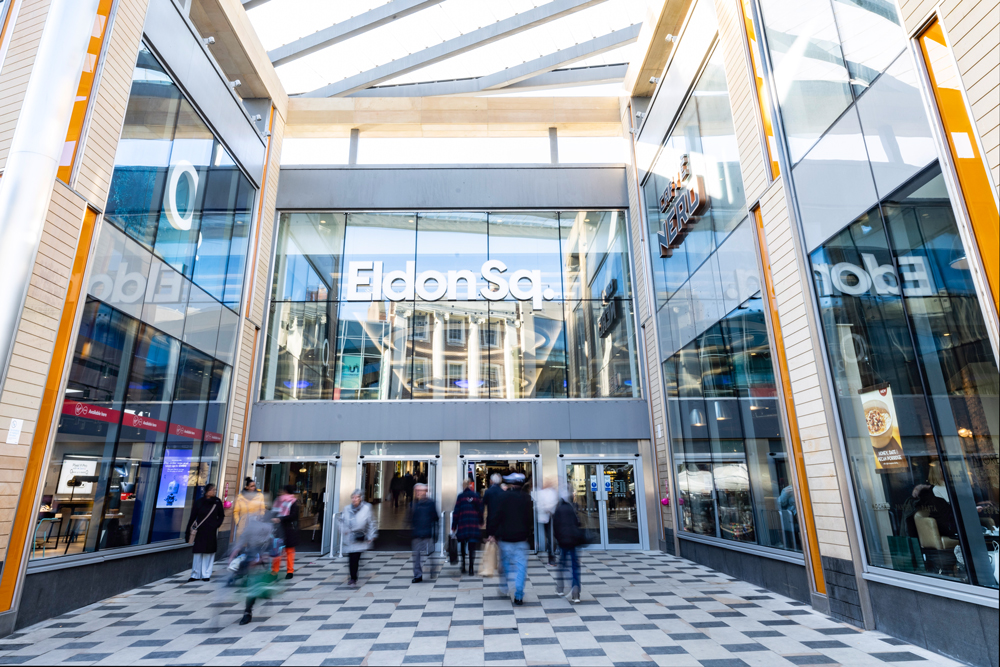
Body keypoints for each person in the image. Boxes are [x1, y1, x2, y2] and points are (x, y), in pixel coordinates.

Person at [228, 512, 277, 625]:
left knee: (254, 584)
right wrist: (233, 554)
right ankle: (249, 610)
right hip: (251, 557)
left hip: (260, 561)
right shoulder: (251, 526)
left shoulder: (268, 528)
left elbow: (270, 547)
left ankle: (248, 611)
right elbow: (242, 540)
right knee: (251, 584)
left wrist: (261, 559)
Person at [494, 472, 533, 605]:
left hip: (505, 538)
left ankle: (504, 586)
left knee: (505, 564)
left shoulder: (503, 497)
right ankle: (519, 594)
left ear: (510, 484)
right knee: (521, 567)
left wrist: (492, 533)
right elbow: (530, 519)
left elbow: (497, 516)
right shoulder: (526, 498)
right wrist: (528, 534)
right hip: (521, 538)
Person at [185, 483, 224, 582]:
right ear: (207, 491)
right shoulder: (199, 502)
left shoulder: (217, 502)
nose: (214, 491)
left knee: (208, 552)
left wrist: (216, 525)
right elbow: (193, 516)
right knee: (198, 552)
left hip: (211, 531)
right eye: (212, 490)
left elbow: (221, 515)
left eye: (215, 490)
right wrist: (188, 530)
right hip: (200, 530)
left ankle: (206, 574)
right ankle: (195, 574)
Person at [340, 489, 376, 586]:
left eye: (356, 497)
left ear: (360, 498)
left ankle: (353, 578)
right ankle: (353, 577)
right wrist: (344, 530)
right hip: (350, 537)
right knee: (351, 558)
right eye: (353, 497)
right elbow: (341, 521)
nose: (354, 499)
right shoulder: (347, 508)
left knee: (355, 558)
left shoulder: (367, 508)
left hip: (360, 537)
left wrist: (371, 535)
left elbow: (371, 522)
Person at [552, 489, 583, 602]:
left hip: (563, 541)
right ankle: (576, 591)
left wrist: (558, 539)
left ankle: (560, 588)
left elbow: (555, 526)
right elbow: (577, 523)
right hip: (573, 540)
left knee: (562, 564)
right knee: (574, 566)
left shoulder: (558, 509)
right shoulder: (572, 508)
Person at [452, 478, 484, 575]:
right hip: (473, 524)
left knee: (463, 545)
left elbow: (456, 512)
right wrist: (481, 521)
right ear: (470, 485)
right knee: (472, 547)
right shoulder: (475, 496)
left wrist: (454, 526)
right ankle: (471, 568)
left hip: (463, 523)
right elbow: (480, 510)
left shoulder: (460, 497)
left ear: (463, 486)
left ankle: (463, 565)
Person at [409, 483, 438, 583]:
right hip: (416, 533)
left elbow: (435, 518)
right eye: (416, 491)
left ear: (425, 492)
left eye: (420, 491)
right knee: (416, 555)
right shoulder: (413, 504)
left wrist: (435, 531)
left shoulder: (431, 503)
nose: (418, 493)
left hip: (427, 532)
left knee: (430, 552)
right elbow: (409, 518)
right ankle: (418, 575)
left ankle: (433, 568)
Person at [271, 485, 299, 579]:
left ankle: (290, 571)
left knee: (289, 550)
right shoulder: (278, 501)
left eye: (282, 491)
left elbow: (294, 516)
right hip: (278, 528)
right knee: (277, 550)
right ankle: (274, 571)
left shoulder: (293, 502)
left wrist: (280, 519)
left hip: (288, 528)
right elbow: (273, 513)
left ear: (286, 491)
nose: (281, 493)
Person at [233, 477, 265, 542]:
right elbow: (236, 511)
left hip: (255, 523)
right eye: (251, 486)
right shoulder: (240, 497)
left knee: (253, 543)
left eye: (254, 486)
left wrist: (260, 516)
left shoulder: (260, 496)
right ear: (247, 487)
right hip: (243, 524)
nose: (253, 488)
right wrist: (238, 522)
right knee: (241, 543)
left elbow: (262, 509)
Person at [535, 479, 558, 566]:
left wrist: (547, 507)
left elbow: (553, 503)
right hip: (546, 517)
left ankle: (551, 557)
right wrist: (547, 507)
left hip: (551, 517)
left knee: (551, 538)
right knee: (549, 537)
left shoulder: (552, 492)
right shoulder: (541, 493)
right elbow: (539, 505)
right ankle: (551, 557)